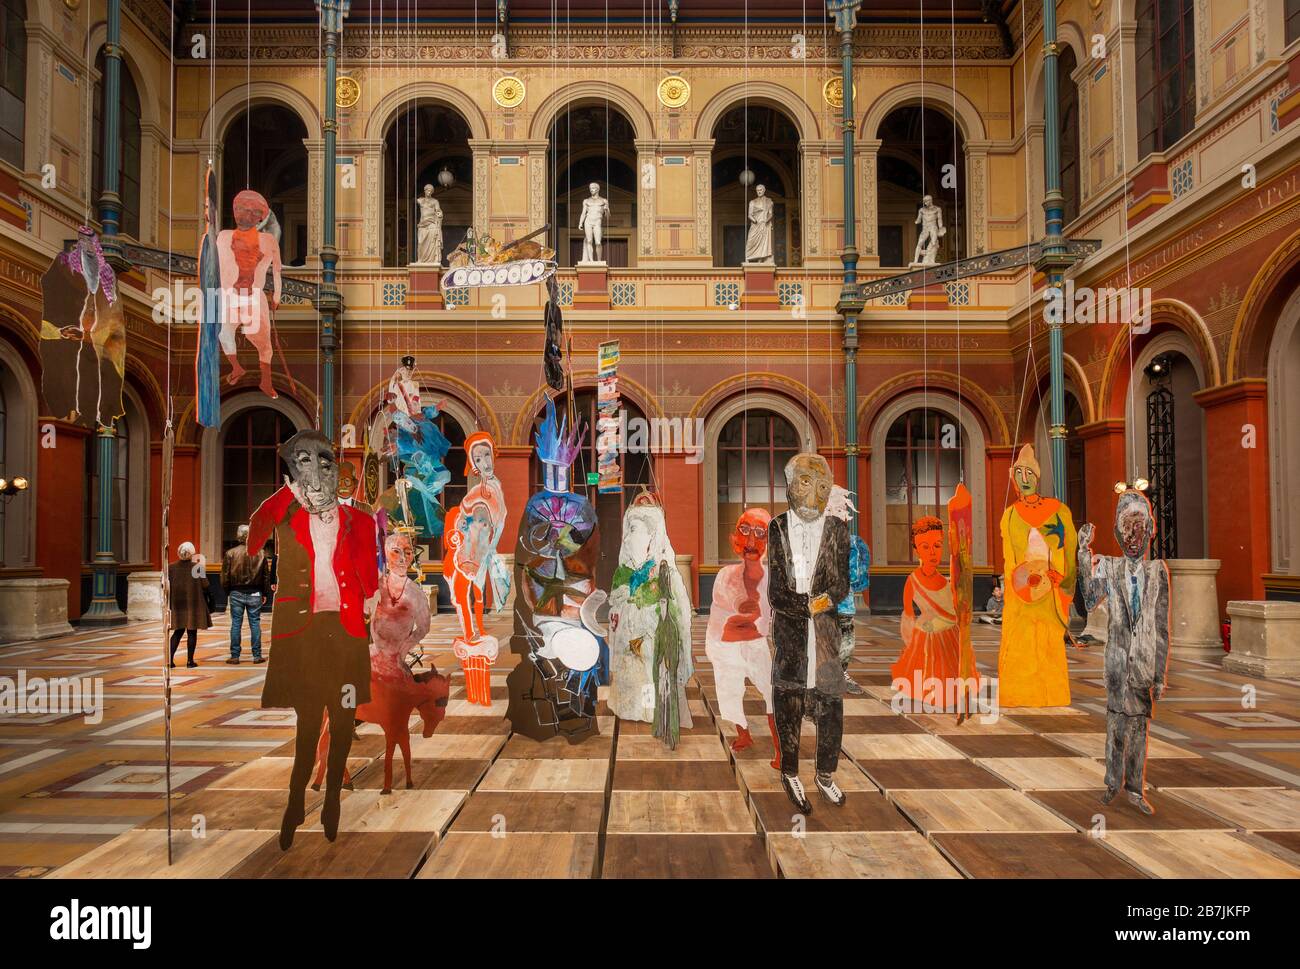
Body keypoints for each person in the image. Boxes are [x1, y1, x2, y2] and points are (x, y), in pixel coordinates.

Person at [247, 429, 380, 849]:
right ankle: (292, 804)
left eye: (323, 464)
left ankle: (333, 803)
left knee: (342, 724)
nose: (317, 475)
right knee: (307, 727)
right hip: (303, 635)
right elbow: (254, 534)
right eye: (303, 465)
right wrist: (290, 491)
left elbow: (370, 579)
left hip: (345, 635)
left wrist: (370, 601)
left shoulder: (358, 520)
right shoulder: (287, 515)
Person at [1077, 489, 1171, 815]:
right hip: (1117, 665)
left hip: (1144, 665)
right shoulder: (1108, 567)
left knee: (1140, 729)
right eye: (1128, 527)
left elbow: (1161, 628)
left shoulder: (1158, 572)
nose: (1134, 536)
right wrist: (1082, 553)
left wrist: (1159, 674)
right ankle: (1111, 783)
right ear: (1118, 531)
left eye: (1140, 527)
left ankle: (1135, 788)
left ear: (1150, 531)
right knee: (1116, 725)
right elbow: (1090, 598)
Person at [767, 453, 850, 812]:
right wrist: (805, 607)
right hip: (791, 635)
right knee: (789, 701)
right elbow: (776, 591)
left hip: (826, 637)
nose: (813, 496)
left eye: (821, 487)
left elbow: (841, 584)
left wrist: (823, 602)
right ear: (789, 486)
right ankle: (790, 771)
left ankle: (826, 774)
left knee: (830, 705)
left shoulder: (838, 530)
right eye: (805, 483)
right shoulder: (778, 528)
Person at [608, 495, 694, 747]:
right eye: (628, 530)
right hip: (628, 635)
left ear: (651, 535)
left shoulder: (663, 572)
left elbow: (679, 612)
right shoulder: (625, 571)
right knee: (632, 672)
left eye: (633, 530)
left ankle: (647, 711)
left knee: (649, 674)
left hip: (650, 635)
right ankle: (631, 707)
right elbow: (615, 606)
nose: (627, 538)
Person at [997, 444, 1078, 708]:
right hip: (1022, 592)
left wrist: (1061, 579)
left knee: (1048, 642)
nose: (1024, 479)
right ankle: (1019, 693)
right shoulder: (1009, 516)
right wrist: (1016, 587)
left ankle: (1050, 694)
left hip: (1050, 589)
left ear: (1037, 476)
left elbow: (1069, 549)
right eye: (1019, 473)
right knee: (1020, 643)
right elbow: (1010, 557)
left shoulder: (1058, 511)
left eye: (1029, 473)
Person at [705, 508, 778, 762]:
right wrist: (743, 608)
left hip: (756, 644)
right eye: (745, 530)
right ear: (734, 537)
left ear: (770, 542)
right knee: (730, 692)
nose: (751, 541)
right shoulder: (725, 575)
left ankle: (781, 748)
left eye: (760, 533)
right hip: (725, 646)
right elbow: (732, 603)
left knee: (772, 690)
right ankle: (743, 733)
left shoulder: (772, 579)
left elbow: (770, 614)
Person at [891, 516, 964, 708]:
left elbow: (956, 611)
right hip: (926, 641)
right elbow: (908, 616)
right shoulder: (912, 581)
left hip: (951, 640)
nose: (932, 552)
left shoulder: (949, 581)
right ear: (916, 551)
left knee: (950, 688)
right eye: (925, 547)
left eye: (938, 545)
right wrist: (910, 643)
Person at [217, 189, 282, 399]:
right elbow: (213, 267)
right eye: (239, 209)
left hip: (253, 298)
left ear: (260, 217)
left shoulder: (269, 240)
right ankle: (236, 367)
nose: (244, 214)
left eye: (251, 211)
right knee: (224, 333)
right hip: (229, 296)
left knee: (264, 343)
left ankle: (266, 380)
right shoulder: (223, 236)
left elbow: (278, 271)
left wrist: (277, 296)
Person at [222, 524, 270, 665]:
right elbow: (265, 576)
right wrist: (265, 593)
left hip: (236, 592)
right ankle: (257, 655)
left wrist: (227, 591)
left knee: (236, 624)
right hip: (255, 592)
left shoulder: (230, 553)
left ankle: (235, 656)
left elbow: (225, 576)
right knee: (255, 623)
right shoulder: (261, 553)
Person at [168, 542, 212, 669]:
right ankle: (189, 661)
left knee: (178, 632)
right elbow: (205, 586)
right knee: (192, 632)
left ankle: (170, 661)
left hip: (177, 604)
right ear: (192, 553)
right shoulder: (197, 567)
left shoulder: (171, 567)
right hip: (193, 603)